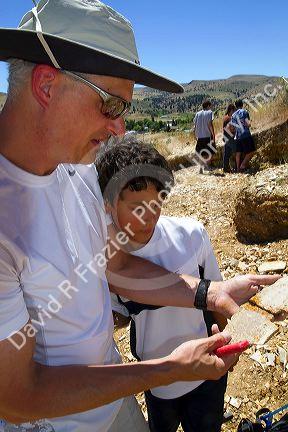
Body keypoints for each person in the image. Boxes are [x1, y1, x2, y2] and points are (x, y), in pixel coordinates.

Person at [0, 1, 279, 431]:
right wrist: (168, 370)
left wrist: (211, 293)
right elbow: (17, 398)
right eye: (111, 106)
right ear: (47, 85)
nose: (119, 128)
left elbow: (116, 265)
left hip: (116, 405)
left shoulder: (78, 170)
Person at [95, 139, 229, 432]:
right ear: (108, 204)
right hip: (157, 383)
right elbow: (121, 315)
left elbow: (219, 298)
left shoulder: (192, 236)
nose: (149, 216)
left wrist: (228, 348)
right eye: (136, 206)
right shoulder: (106, 262)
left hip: (207, 376)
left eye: (156, 202)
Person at [231, 99, 256, 172]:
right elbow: (248, 124)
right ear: (242, 105)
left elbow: (232, 128)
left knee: (238, 153)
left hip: (237, 136)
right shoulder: (244, 112)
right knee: (251, 151)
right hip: (245, 134)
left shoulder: (233, 115)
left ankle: (238, 169)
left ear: (236, 106)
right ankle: (243, 165)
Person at [193, 100, 216, 172]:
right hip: (208, 136)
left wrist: (194, 135)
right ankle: (207, 166)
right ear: (208, 106)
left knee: (201, 153)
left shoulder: (197, 114)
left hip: (200, 137)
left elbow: (195, 126)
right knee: (211, 152)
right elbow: (210, 124)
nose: (211, 107)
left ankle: (200, 168)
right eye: (210, 106)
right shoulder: (210, 112)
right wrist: (213, 134)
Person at [223, 103, 236, 173]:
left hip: (225, 137)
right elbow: (230, 129)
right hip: (230, 137)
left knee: (226, 154)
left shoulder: (225, 117)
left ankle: (225, 168)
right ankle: (236, 167)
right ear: (231, 110)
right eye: (234, 111)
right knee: (236, 151)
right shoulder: (229, 118)